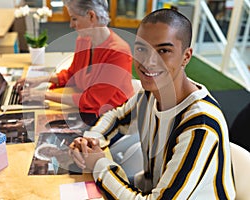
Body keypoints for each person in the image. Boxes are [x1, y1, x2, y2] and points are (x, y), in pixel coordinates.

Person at [69, 8, 236, 199]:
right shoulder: (151, 93)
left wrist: (99, 164)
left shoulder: (201, 126)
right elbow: (116, 116)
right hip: (152, 188)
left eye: (164, 50)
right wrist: (90, 139)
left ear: (186, 57)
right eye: (141, 49)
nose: (148, 61)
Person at [15, 0, 134, 124]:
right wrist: (40, 79)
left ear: (91, 16)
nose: (71, 25)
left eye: (74, 19)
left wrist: (43, 95)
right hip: (90, 111)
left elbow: (92, 100)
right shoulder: (83, 40)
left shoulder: (119, 52)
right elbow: (72, 74)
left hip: (114, 117)